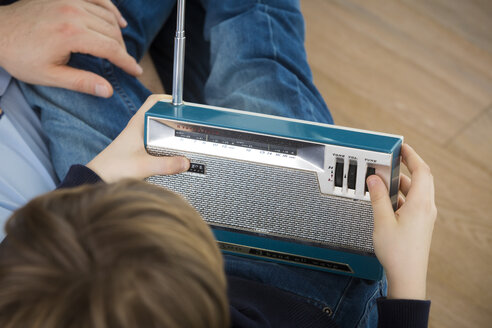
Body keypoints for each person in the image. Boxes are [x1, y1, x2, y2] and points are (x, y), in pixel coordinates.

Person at [0, 0, 436, 326]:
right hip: (309, 292)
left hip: (96, 256)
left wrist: (98, 177)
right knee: (256, 51)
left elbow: (17, 270)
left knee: (69, 55)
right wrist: (406, 279)